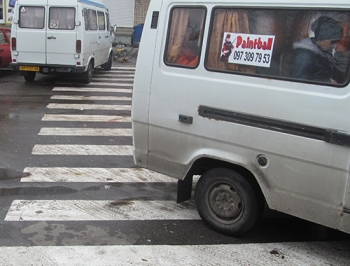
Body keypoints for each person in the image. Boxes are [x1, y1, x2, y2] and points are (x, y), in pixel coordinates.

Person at [290, 16, 344, 84]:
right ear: (322, 38)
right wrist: (327, 82)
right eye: (332, 42)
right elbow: (299, 81)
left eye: (337, 42)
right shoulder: (305, 56)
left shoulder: (321, 51)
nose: (335, 45)